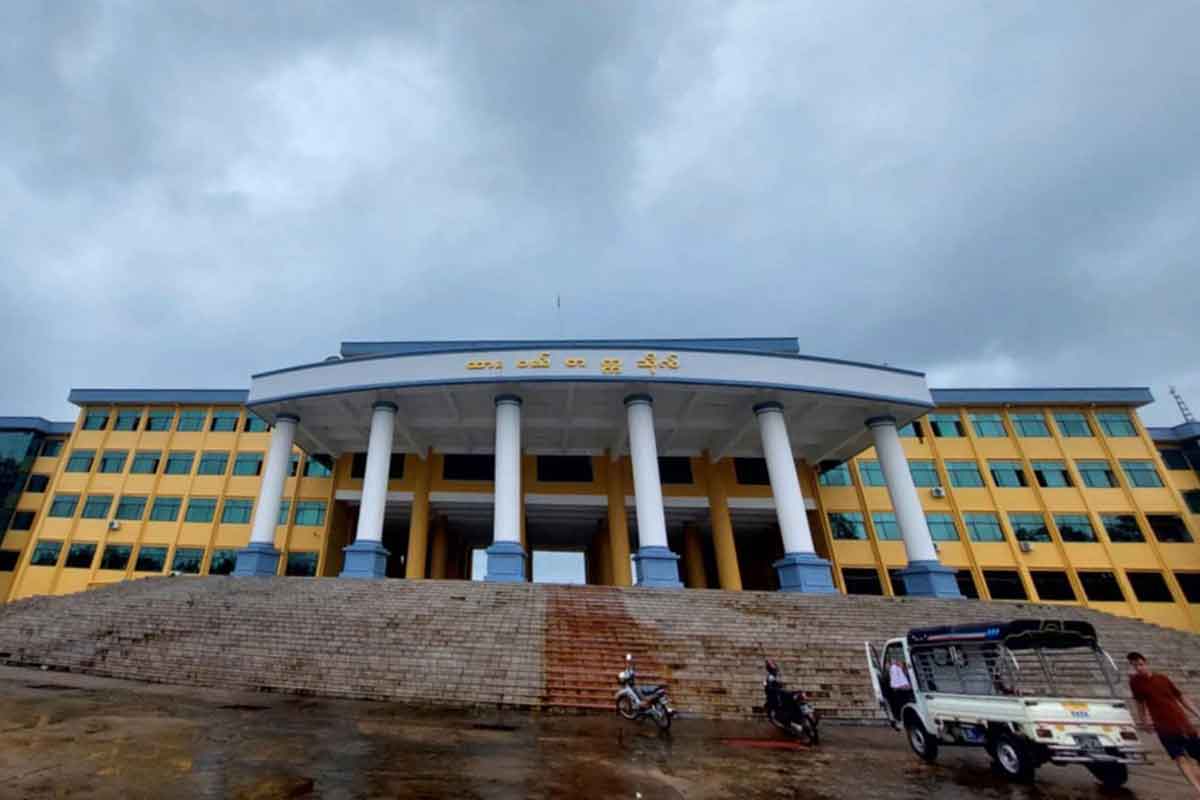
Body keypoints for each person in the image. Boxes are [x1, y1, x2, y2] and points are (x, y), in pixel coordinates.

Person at [1128, 651, 1200, 794]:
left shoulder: (1162, 678)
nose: (1138, 668)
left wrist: (1197, 713)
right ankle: (1198, 788)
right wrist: (1144, 721)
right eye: (1134, 666)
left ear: (1146, 662)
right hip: (1164, 728)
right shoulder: (1135, 683)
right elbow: (1140, 704)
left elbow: (1181, 697)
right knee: (1179, 758)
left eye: (1140, 664)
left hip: (1183, 724)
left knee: (1198, 755)